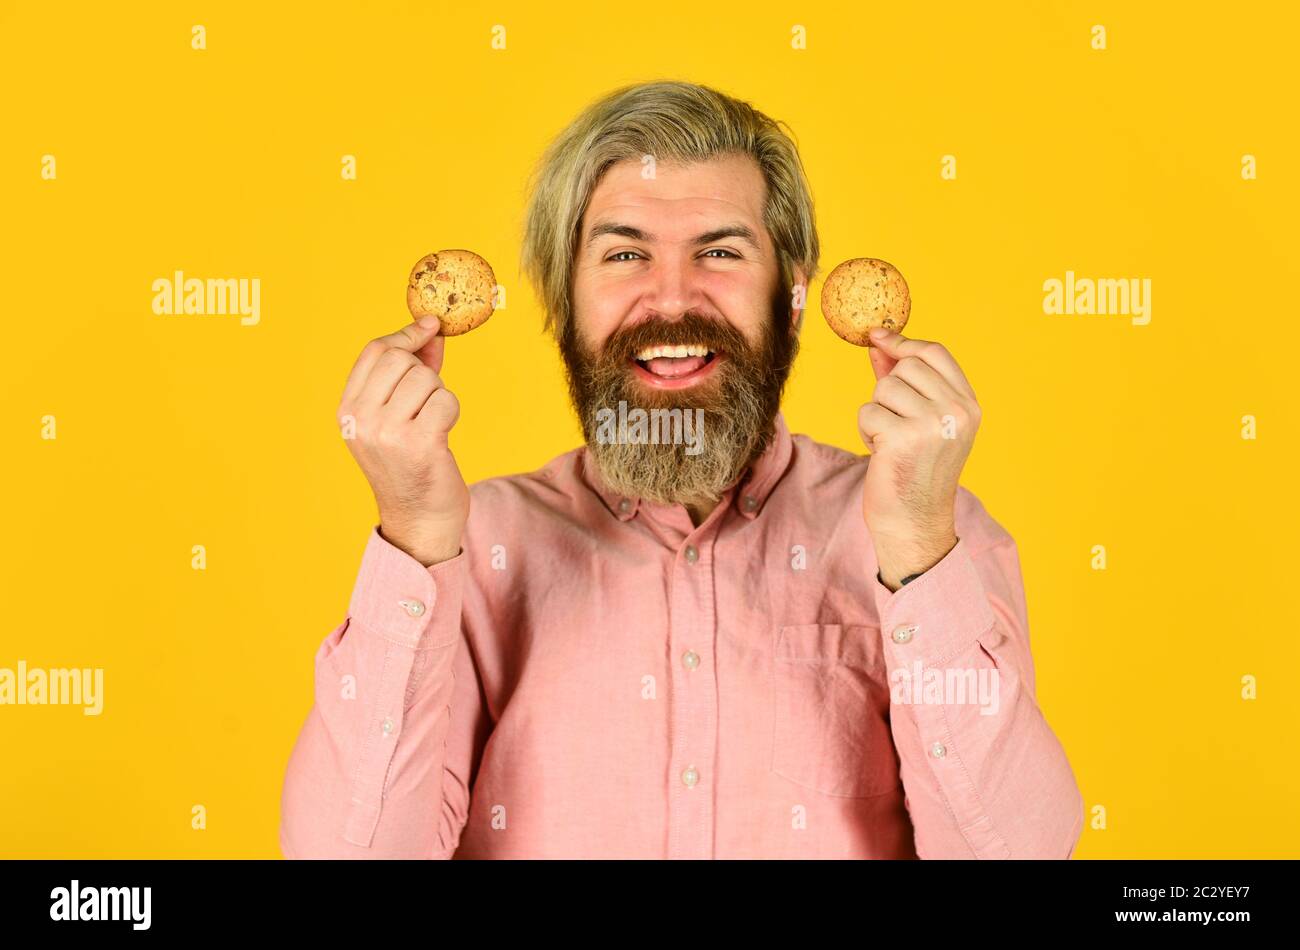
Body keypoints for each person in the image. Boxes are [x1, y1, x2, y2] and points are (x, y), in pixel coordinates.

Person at [279, 80, 1084, 859]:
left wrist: (915, 550)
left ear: (793, 296)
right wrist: (415, 537)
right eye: (625, 253)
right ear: (564, 298)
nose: (671, 300)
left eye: (721, 251)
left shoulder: (930, 533)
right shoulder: (471, 553)